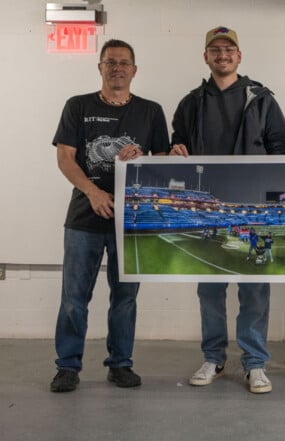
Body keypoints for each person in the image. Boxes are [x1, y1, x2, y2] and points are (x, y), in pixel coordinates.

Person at [170, 26, 285, 394]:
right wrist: (176, 150)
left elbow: (281, 148)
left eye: (229, 49)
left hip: (253, 211)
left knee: (255, 289)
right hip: (208, 210)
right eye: (215, 49)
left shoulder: (262, 98)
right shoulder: (191, 102)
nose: (222, 55)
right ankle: (214, 358)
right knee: (210, 288)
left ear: (240, 56)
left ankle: (255, 363)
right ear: (205, 56)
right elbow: (178, 145)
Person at [50, 39, 170, 393]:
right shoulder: (78, 106)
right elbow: (65, 158)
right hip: (85, 219)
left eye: (124, 62)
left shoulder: (151, 111)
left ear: (134, 70)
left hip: (131, 220)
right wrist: (94, 191)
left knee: (125, 298)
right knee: (74, 299)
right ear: (100, 67)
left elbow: (160, 165)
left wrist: (144, 157)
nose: (117, 67)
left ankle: (120, 364)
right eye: (110, 61)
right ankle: (67, 367)